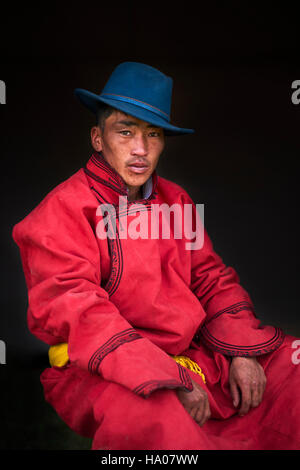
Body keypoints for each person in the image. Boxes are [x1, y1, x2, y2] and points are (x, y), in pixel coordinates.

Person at [12, 62, 300, 450]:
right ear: (98, 138)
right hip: (103, 367)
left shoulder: (176, 200)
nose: (141, 150)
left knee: (292, 366)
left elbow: (212, 280)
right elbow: (82, 316)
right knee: (157, 419)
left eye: (154, 134)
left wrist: (241, 350)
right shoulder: (59, 213)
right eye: (125, 131)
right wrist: (164, 375)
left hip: (194, 356)